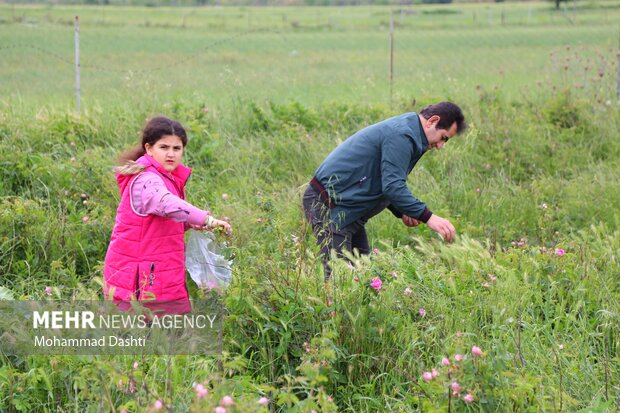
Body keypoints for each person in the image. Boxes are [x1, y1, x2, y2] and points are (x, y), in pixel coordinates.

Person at [303, 101, 466, 282]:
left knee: (365, 279)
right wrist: (428, 217)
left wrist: (402, 210)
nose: (441, 145)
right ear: (432, 121)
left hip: (349, 211)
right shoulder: (403, 135)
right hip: (330, 207)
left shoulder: (411, 132)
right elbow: (393, 186)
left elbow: (382, 178)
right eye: (444, 137)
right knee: (339, 282)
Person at [103, 116, 231, 311]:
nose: (171, 154)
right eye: (164, 147)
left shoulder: (166, 176)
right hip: (140, 276)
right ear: (149, 149)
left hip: (161, 270)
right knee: (140, 333)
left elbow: (160, 218)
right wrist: (208, 220)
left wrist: (188, 224)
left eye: (176, 148)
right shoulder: (147, 180)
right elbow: (165, 203)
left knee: (166, 333)